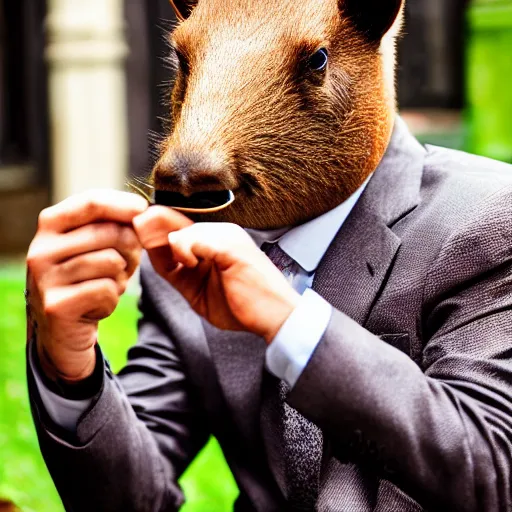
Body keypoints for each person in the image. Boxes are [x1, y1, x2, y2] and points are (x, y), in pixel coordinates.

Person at [26, 0, 512, 510]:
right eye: (188, 65)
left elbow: (494, 475)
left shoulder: (485, 223)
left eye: (315, 64)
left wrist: (293, 324)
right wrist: (68, 365)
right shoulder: (184, 262)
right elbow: (130, 497)